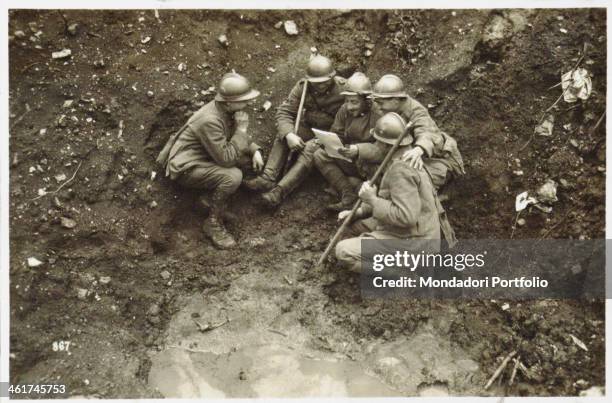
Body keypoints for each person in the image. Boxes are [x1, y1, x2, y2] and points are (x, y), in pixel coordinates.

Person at [156, 73, 264, 249]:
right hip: (186, 167)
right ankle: (212, 223)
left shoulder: (225, 111)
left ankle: (208, 202)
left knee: (245, 161)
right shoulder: (210, 120)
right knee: (233, 175)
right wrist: (242, 130)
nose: (249, 103)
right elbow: (227, 160)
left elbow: (230, 136)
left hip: (205, 159)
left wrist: (254, 150)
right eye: (244, 100)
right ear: (229, 102)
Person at [335, 112, 446, 273]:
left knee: (343, 251)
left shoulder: (400, 170)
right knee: (355, 227)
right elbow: (390, 199)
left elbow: (406, 217)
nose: (376, 145)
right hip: (416, 234)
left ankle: (402, 274)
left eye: (378, 142)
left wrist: (372, 200)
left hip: (415, 243)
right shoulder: (404, 159)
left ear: (387, 145)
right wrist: (358, 211)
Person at [244, 55, 346, 208]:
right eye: (316, 83)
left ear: (332, 76)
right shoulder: (303, 86)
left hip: (333, 134)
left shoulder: (344, 89)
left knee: (310, 149)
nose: (320, 86)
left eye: (324, 82)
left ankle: (278, 192)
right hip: (310, 126)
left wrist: (329, 137)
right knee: (285, 133)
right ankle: (268, 178)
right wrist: (289, 134)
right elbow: (284, 113)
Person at [368, 74, 464, 189]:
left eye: (380, 103)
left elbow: (426, 131)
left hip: (438, 160)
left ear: (396, 100)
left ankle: (432, 200)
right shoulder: (391, 107)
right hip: (412, 154)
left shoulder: (416, 111)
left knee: (411, 178)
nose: (378, 107)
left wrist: (419, 149)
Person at [313, 72, 382, 211]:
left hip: (372, 166)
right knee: (320, 155)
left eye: (354, 102)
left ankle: (367, 201)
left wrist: (358, 150)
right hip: (352, 159)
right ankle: (348, 195)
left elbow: (383, 150)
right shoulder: (345, 109)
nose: (349, 107)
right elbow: (337, 132)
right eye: (347, 101)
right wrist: (326, 141)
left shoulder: (379, 114)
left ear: (367, 100)